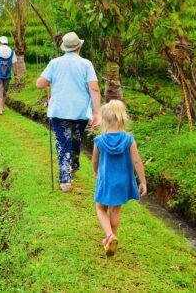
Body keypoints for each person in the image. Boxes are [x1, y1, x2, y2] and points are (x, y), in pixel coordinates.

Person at [36, 31, 101, 193]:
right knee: (75, 138)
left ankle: (66, 179)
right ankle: (72, 166)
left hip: (59, 110)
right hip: (80, 111)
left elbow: (40, 84)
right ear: (79, 47)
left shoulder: (54, 63)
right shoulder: (86, 64)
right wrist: (96, 113)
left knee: (63, 142)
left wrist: (49, 80)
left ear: (64, 48)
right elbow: (94, 89)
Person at [92, 99, 147, 256]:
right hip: (123, 181)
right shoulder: (128, 139)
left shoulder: (99, 140)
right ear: (122, 119)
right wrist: (142, 181)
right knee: (116, 208)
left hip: (106, 180)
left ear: (103, 120)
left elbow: (94, 160)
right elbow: (136, 160)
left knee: (100, 208)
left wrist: (96, 173)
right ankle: (111, 240)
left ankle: (109, 236)